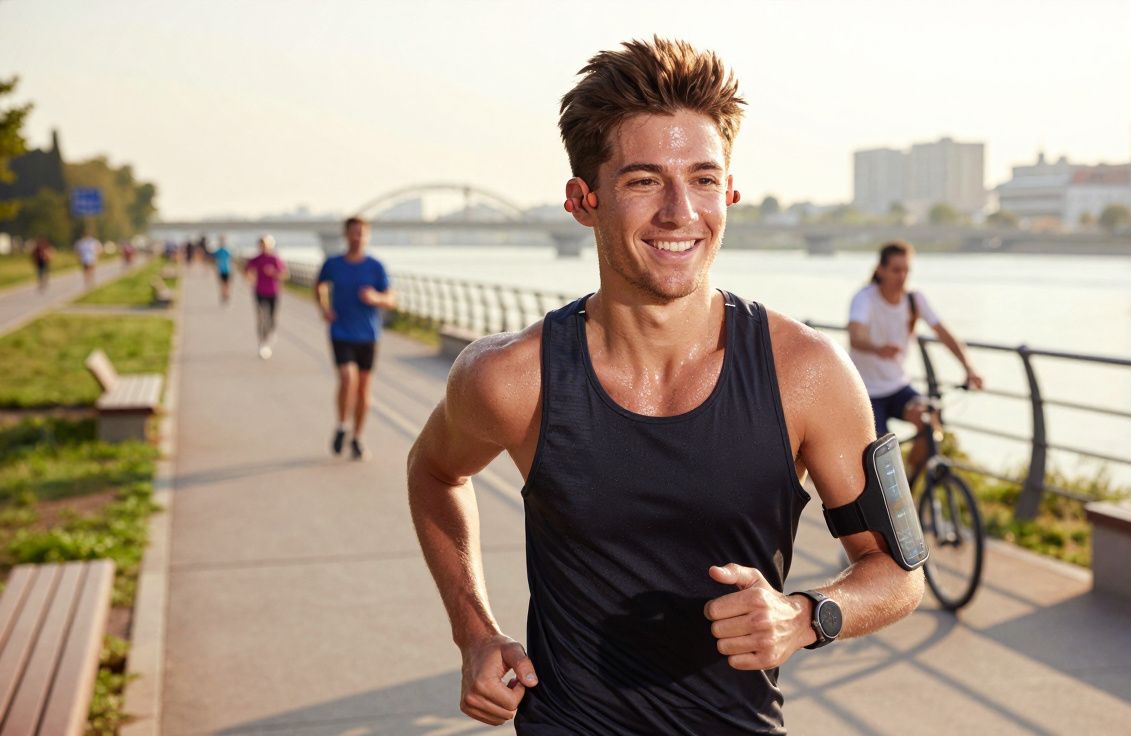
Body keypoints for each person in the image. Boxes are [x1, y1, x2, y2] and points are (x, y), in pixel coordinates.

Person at [407, 38, 923, 733]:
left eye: (704, 178)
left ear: (730, 191)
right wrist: (473, 632)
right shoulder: (510, 378)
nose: (681, 211)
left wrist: (805, 616)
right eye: (644, 180)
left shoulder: (807, 375)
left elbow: (898, 572)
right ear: (583, 201)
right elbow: (434, 471)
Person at [847, 240, 983, 472]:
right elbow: (855, 337)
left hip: (898, 387)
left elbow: (944, 333)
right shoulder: (865, 298)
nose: (902, 276)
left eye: (906, 270)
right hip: (867, 392)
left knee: (929, 418)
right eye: (896, 270)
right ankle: (886, 493)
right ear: (881, 270)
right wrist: (877, 348)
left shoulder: (914, 299)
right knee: (878, 458)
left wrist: (969, 368)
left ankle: (909, 478)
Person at [316, 217, 395, 460]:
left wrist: (375, 298)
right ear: (346, 235)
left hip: (368, 334)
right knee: (346, 377)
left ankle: (357, 437)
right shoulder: (333, 263)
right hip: (340, 331)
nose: (357, 237)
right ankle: (342, 425)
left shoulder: (376, 266)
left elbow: (391, 299)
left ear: (367, 236)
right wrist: (324, 308)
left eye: (362, 233)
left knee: (363, 390)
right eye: (353, 232)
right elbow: (319, 285)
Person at [244, 234, 287, 359]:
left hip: (273, 292)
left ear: (270, 245)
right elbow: (247, 270)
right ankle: (263, 343)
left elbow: (284, 275)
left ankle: (271, 333)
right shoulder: (256, 259)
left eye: (265, 244)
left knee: (272, 318)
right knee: (261, 317)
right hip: (259, 291)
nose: (262, 247)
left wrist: (273, 273)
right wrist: (250, 277)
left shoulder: (275, 259)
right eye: (260, 244)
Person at [212, 236, 233, 305]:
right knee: (224, 284)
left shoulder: (224, 251)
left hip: (226, 270)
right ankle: (225, 295)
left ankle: (225, 295)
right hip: (223, 270)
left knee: (225, 284)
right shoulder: (221, 251)